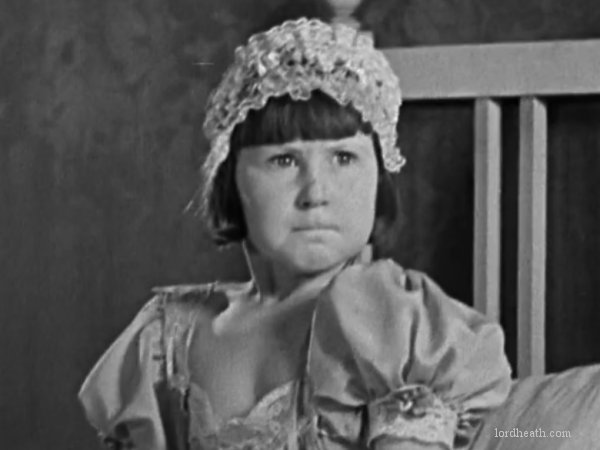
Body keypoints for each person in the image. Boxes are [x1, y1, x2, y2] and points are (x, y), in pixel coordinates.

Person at [78, 17, 512, 450]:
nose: (316, 193)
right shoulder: (169, 336)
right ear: (231, 178)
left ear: (379, 176)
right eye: (284, 160)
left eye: (343, 158)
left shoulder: (394, 326)